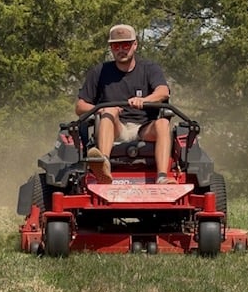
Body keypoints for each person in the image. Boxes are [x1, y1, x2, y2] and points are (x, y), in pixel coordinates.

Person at [75, 23, 175, 184]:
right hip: (115, 128)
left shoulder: (150, 69)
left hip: (144, 128)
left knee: (163, 123)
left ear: (135, 45)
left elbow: (163, 92)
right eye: (116, 46)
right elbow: (80, 107)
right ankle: (103, 165)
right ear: (111, 48)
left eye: (125, 45)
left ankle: (162, 176)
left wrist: (144, 100)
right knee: (108, 111)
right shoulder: (99, 72)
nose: (121, 49)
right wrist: (99, 110)